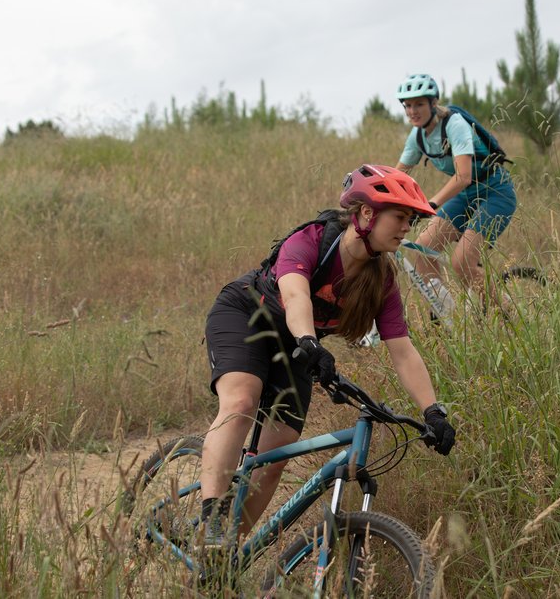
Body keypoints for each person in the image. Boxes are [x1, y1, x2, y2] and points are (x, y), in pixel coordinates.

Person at [199, 163, 457, 545]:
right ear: (367, 214)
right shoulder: (314, 239)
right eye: (400, 217)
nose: (407, 228)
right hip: (247, 315)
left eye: (411, 221)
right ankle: (212, 520)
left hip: (299, 345)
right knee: (241, 401)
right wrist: (309, 341)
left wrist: (433, 412)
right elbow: (295, 295)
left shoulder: (382, 280)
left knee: (276, 457)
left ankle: (222, 557)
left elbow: (402, 350)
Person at [395, 73, 517, 308]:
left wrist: (430, 204)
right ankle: (448, 316)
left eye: (419, 104)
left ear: (433, 103)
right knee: (423, 249)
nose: (412, 111)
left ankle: (509, 314)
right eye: (408, 105)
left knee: (462, 261)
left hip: (495, 191)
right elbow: (398, 176)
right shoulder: (417, 135)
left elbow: (463, 177)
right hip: (465, 196)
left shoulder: (454, 124)